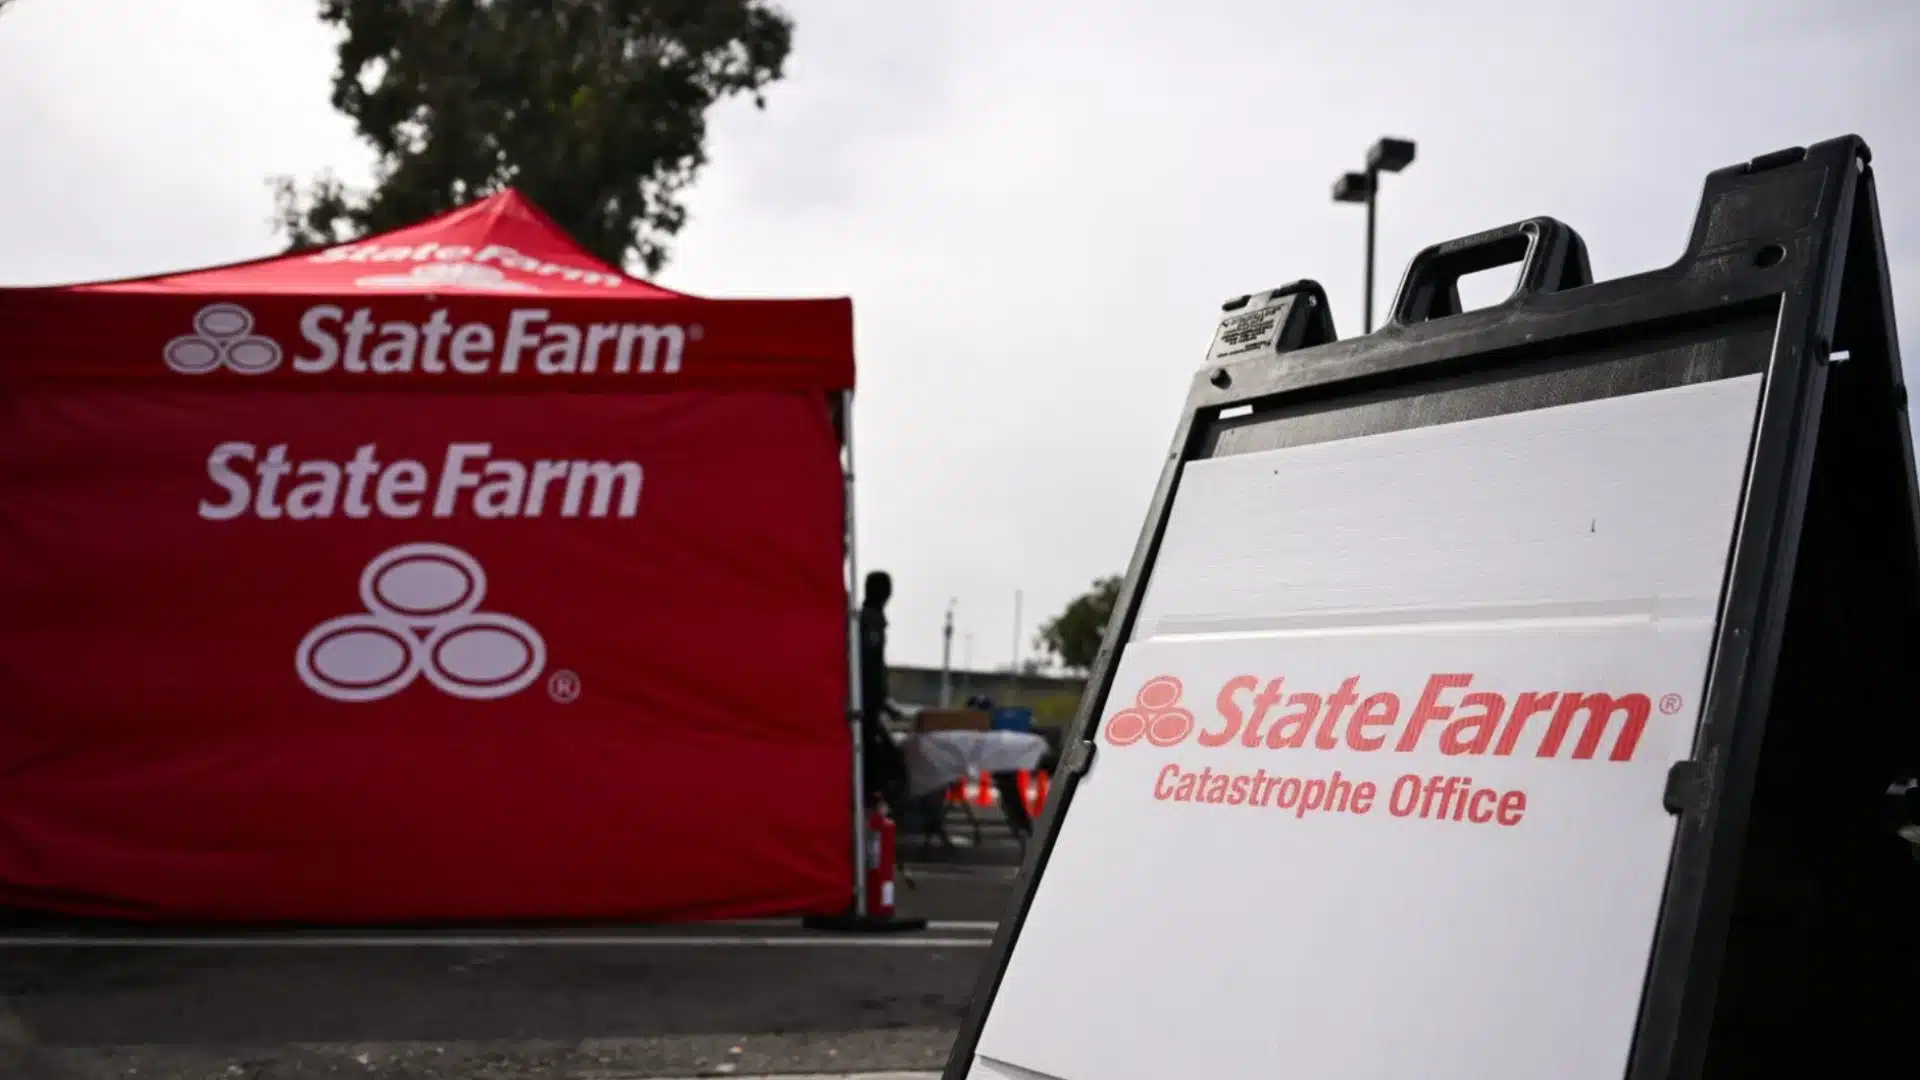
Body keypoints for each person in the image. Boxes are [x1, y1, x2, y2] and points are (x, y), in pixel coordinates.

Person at [857, 570, 910, 810]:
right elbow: (871, 668)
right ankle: (870, 795)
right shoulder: (871, 622)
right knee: (873, 752)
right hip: (866, 703)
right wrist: (881, 701)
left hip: (866, 700)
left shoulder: (864, 620)